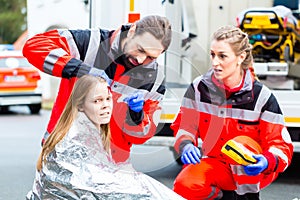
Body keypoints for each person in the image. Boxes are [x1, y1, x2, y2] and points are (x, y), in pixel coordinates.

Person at [22, 15, 172, 163]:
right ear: (132, 31)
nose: (140, 60)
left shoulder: (155, 80)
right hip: (63, 152)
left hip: (109, 164)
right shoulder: (90, 43)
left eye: (151, 58)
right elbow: (34, 46)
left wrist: (136, 114)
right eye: (140, 49)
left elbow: (142, 135)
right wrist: (81, 70)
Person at [170, 25, 294, 200]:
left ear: (240, 57)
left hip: (254, 170)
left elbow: (281, 144)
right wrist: (186, 144)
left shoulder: (261, 97)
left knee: (239, 144)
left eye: (222, 56)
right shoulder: (199, 88)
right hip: (216, 164)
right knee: (185, 184)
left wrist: (266, 161)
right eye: (212, 55)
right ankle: (224, 197)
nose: (214, 62)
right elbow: (185, 126)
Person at [26, 75, 185, 199]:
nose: (106, 106)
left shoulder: (95, 131)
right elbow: (96, 186)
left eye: (108, 99)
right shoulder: (71, 141)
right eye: (97, 101)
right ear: (80, 105)